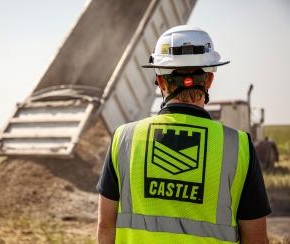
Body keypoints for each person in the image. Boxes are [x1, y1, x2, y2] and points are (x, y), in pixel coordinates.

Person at [96, 25, 271, 243]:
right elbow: (256, 239)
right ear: (209, 80)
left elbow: (105, 227)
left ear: (160, 81)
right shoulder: (239, 146)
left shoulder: (124, 139)